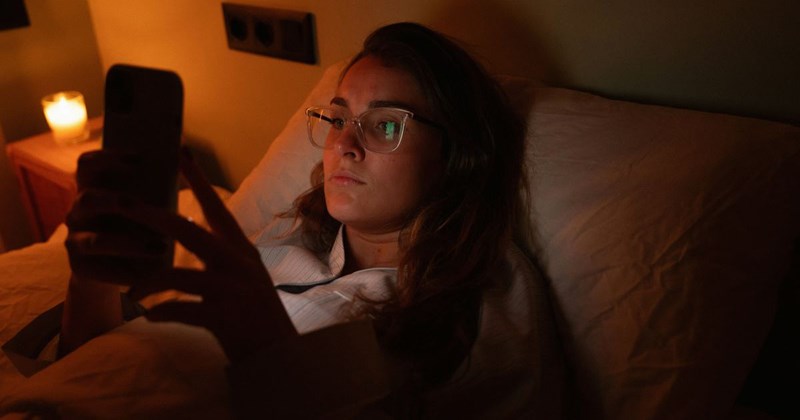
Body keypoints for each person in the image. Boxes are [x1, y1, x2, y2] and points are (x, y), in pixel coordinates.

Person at [60, 22, 563, 418]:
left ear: (456, 156)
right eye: (338, 118)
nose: (344, 144)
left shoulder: (483, 296)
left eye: (385, 124)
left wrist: (270, 352)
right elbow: (90, 368)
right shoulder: (285, 242)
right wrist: (90, 278)